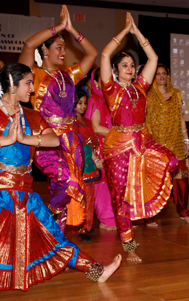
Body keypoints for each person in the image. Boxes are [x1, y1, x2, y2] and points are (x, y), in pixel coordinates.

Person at [0, 63, 121, 301]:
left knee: (52, 234)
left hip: (22, 188)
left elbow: (53, 140)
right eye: (28, 83)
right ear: (12, 84)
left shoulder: (32, 115)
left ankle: (96, 271)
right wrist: (4, 141)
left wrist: (25, 137)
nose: (32, 89)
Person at [100, 12, 178, 261]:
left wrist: (138, 34)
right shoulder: (110, 88)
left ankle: (143, 206)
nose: (130, 69)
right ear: (115, 70)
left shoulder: (140, 87)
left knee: (172, 161)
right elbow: (104, 54)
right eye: (125, 65)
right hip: (118, 148)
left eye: (132, 65)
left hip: (142, 142)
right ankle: (129, 244)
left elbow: (153, 57)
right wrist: (123, 33)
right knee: (119, 196)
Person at [18, 5, 98, 232]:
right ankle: (46, 223)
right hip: (46, 139)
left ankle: (57, 240)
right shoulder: (32, 74)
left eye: (64, 48)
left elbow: (92, 54)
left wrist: (73, 31)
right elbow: (28, 44)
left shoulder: (69, 75)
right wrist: (58, 28)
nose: (64, 52)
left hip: (72, 139)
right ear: (45, 50)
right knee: (67, 181)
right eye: (59, 47)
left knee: (62, 188)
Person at [145, 64, 189, 224]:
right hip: (157, 144)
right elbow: (146, 121)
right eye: (158, 74)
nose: (161, 76)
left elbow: (180, 118)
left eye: (164, 73)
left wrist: (186, 140)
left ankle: (184, 212)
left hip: (176, 142)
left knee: (181, 181)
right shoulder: (149, 96)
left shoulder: (176, 94)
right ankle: (151, 215)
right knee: (155, 181)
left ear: (168, 76)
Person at [84, 68, 117, 231]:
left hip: (111, 145)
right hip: (99, 146)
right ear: (95, 82)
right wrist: (120, 133)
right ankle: (106, 219)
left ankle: (112, 217)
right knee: (102, 182)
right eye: (102, 80)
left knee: (112, 182)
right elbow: (96, 127)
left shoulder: (111, 100)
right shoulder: (95, 100)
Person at [75, 89, 102, 240]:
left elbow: (89, 145)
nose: (83, 106)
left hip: (89, 165)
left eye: (85, 103)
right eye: (80, 103)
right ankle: (79, 227)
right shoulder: (71, 122)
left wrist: (96, 160)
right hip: (78, 165)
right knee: (79, 198)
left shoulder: (88, 122)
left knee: (90, 197)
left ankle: (87, 226)